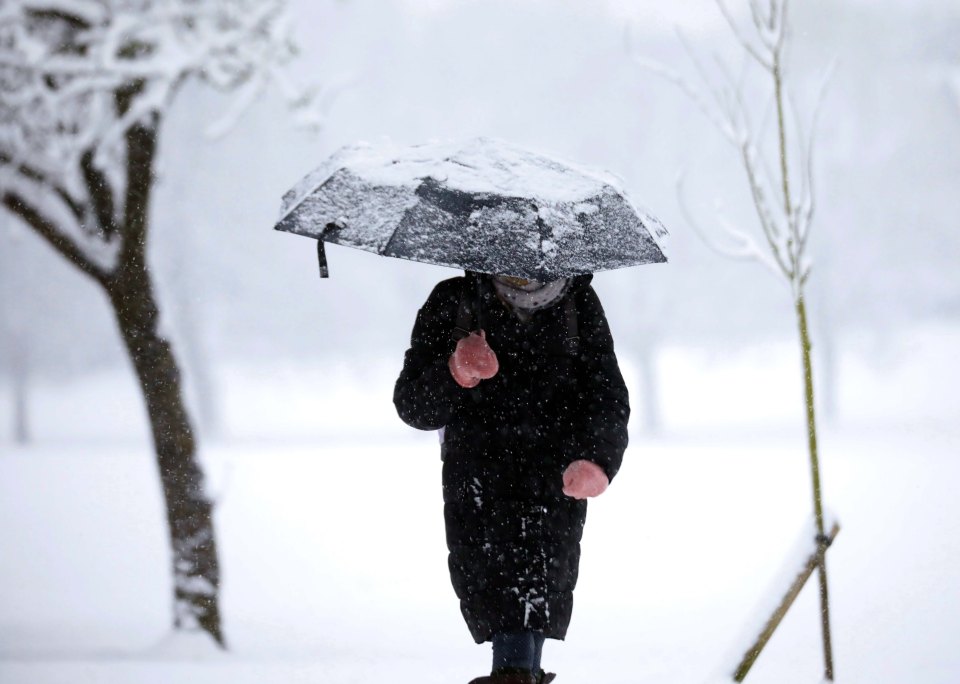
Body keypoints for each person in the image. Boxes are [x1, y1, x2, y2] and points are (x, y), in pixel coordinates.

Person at [394, 271, 630, 684]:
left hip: (555, 480)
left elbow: (607, 397)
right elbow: (414, 405)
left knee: (533, 596)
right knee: (504, 600)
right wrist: (455, 371)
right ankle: (519, 672)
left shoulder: (578, 301)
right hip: (478, 480)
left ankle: (517, 673)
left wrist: (598, 461)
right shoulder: (455, 301)